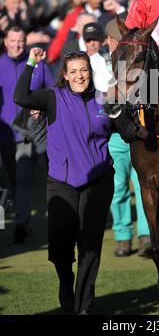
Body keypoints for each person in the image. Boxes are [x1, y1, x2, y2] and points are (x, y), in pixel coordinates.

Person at [13, 48, 114, 315]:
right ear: (65, 76)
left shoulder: (104, 100)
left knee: (90, 245)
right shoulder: (52, 98)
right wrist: (32, 62)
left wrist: (141, 131)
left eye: (84, 71)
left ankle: (84, 307)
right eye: (74, 72)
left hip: (99, 181)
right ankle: (65, 284)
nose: (80, 76)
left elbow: (125, 126)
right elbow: (20, 96)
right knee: (60, 246)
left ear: (90, 74)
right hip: (62, 181)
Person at [90, 18, 151, 257]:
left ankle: (146, 235)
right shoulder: (95, 62)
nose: (121, 43)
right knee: (118, 188)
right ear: (109, 40)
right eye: (117, 39)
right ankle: (123, 236)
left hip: (138, 130)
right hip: (113, 133)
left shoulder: (136, 58)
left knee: (144, 185)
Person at [0, 25, 54, 243]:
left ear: (26, 41)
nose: (17, 45)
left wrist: (40, 105)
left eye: (21, 40)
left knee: (23, 179)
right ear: (5, 42)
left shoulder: (38, 64)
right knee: (7, 181)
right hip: (2, 133)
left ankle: (22, 222)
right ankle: (10, 221)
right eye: (12, 41)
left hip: (26, 133)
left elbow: (53, 92)